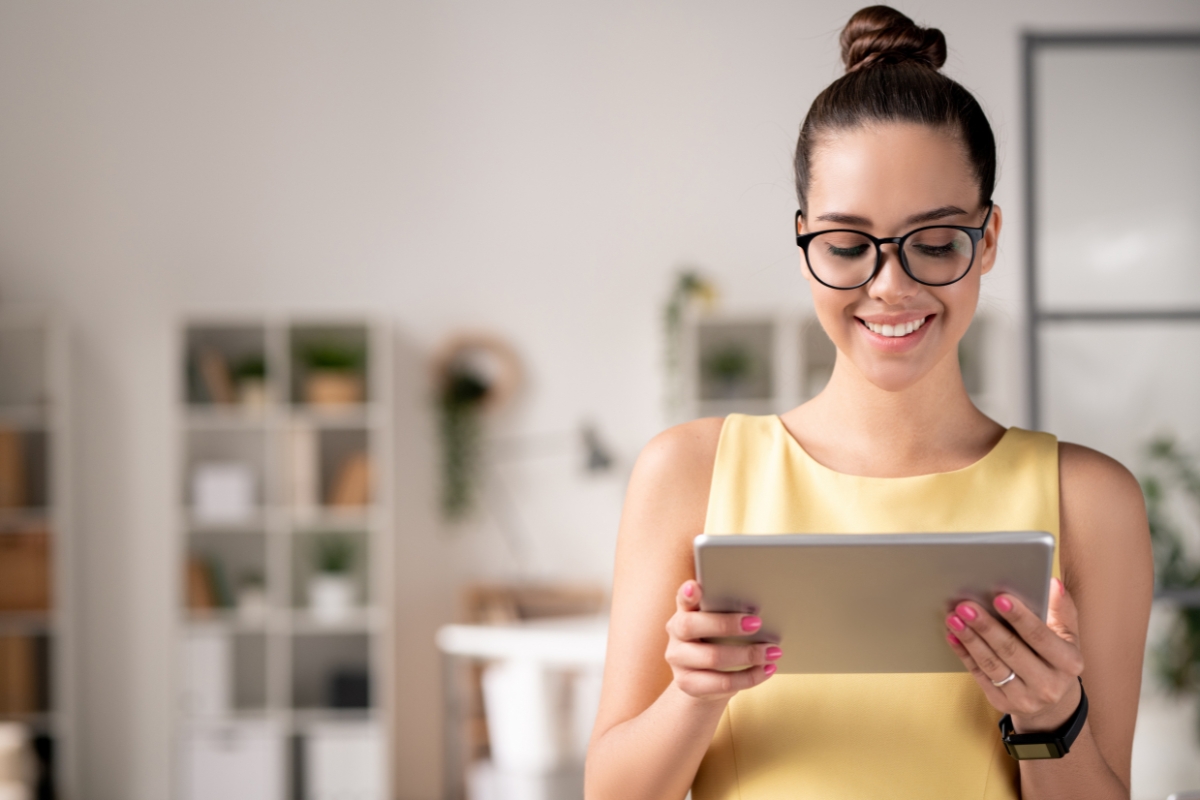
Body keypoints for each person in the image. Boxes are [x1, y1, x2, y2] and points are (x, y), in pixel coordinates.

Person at [584, 6, 1153, 799]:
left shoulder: (1091, 501)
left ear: (987, 240)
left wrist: (1049, 720)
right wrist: (693, 694)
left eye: (936, 241)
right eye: (849, 245)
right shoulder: (687, 472)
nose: (890, 286)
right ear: (804, 239)